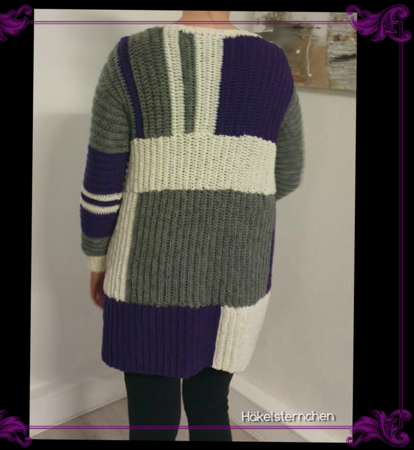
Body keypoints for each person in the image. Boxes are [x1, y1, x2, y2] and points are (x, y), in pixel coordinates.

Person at [79, 10, 304, 441]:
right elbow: (288, 173)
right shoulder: (273, 62)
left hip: (147, 269)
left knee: (152, 415)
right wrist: (231, 204)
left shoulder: (131, 55)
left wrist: (96, 259)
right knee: (211, 405)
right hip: (239, 270)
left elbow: (103, 180)